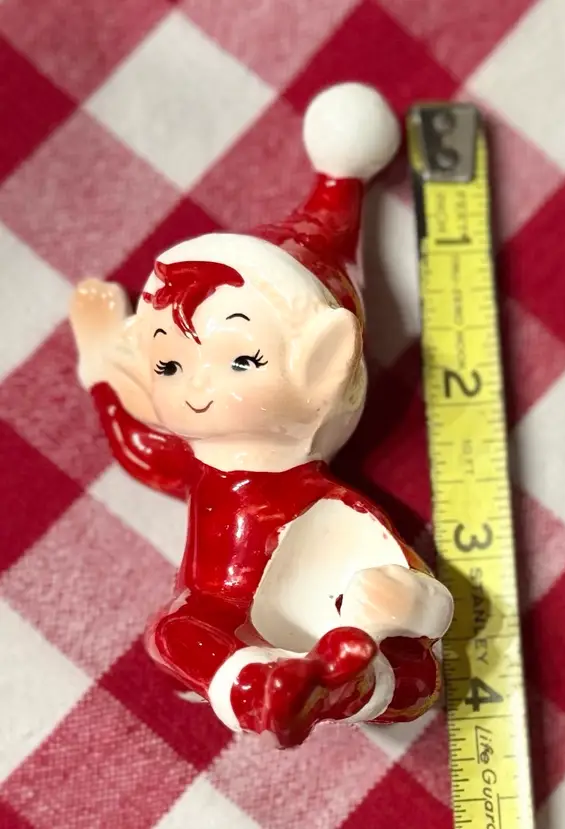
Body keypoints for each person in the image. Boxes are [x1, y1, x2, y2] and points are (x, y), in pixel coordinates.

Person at [69, 82, 453, 748]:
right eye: (169, 365)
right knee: (173, 632)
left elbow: (436, 606)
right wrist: (102, 363)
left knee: (415, 677)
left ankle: (343, 685)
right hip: (218, 612)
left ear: (323, 367)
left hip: (337, 621)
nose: (197, 389)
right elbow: (137, 447)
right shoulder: (196, 459)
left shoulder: (327, 506)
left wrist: (407, 600)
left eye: (242, 360)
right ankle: (257, 687)